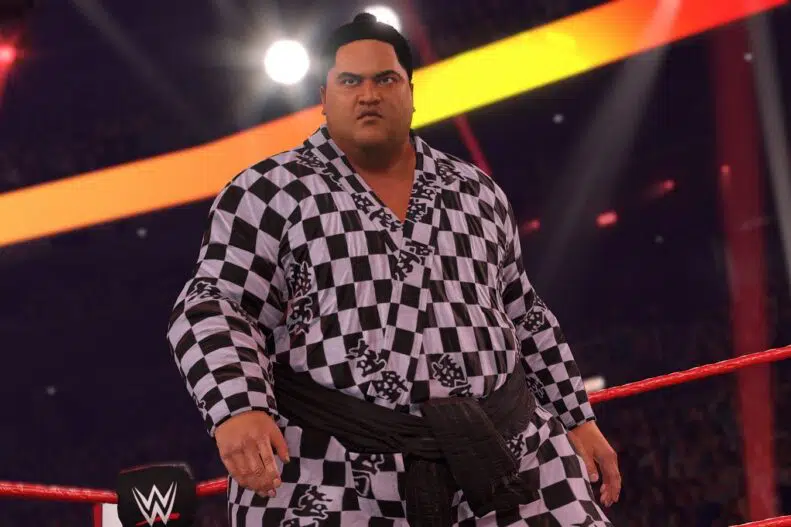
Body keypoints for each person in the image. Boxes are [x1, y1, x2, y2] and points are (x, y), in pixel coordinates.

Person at [167, 12, 621, 526]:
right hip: (333, 462)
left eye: (385, 80)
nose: (368, 95)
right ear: (324, 96)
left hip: (506, 446)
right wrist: (237, 405)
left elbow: (524, 313)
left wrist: (577, 417)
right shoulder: (267, 190)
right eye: (350, 81)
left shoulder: (476, 190)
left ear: (410, 91)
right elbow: (215, 304)